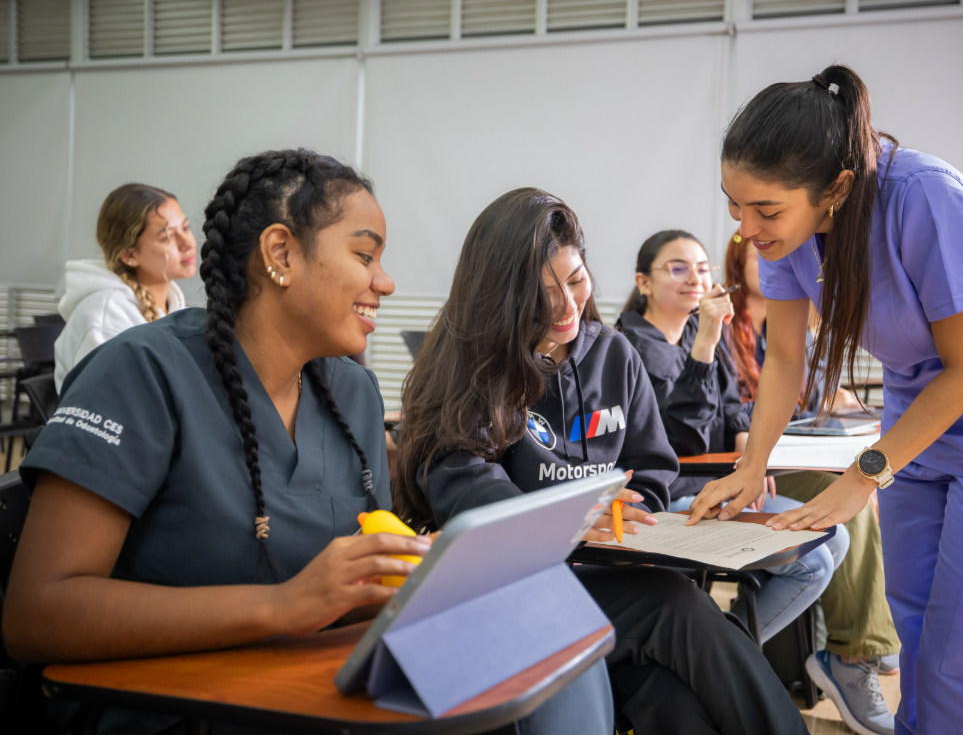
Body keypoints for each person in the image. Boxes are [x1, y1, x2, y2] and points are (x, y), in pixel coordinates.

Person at [3, 151, 611, 735]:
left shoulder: (352, 395)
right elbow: (37, 615)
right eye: (365, 256)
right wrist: (285, 606)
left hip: (318, 685)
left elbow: (345, 590)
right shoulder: (140, 373)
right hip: (178, 707)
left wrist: (423, 579)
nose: (387, 282)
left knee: (545, 622)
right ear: (280, 254)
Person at [394, 189, 809, 735]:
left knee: (674, 699)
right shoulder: (469, 371)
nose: (567, 306)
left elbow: (654, 465)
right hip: (511, 589)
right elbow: (468, 495)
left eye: (576, 280)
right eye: (543, 294)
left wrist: (636, 517)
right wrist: (573, 516)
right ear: (500, 294)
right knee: (674, 605)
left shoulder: (612, 352)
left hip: (606, 573)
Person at [689, 64, 963, 735]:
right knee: (913, 620)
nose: (745, 229)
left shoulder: (926, 199)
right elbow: (786, 360)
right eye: (734, 205)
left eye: (766, 210)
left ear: (837, 189)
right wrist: (750, 466)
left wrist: (866, 475)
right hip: (919, 418)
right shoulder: (787, 237)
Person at [617, 229, 848, 647]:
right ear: (643, 283)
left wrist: (746, 440)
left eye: (703, 269)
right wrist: (706, 339)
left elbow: (732, 405)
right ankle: (728, 651)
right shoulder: (626, 348)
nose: (695, 279)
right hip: (672, 495)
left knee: (837, 536)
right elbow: (680, 442)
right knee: (811, 562)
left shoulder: (696, 335)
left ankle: (727, 650)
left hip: (717, 482)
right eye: (679, 268)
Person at [726, 230, 901, 735]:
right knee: (849, 504)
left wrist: (831, 397)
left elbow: (811, 399)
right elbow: (727, 416)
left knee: (872, 489)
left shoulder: (799, 324)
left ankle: (868, 640)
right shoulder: (720, 329)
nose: (771, 259)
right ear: (737, 264)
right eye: (755, 254)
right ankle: (854, 655)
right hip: (754, 465)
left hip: (795, 451)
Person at [54, 183, 197, 391]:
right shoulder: (104, 317)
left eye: (185, 228)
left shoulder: (173, 305)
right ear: (130, 255)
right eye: (168, 237)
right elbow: (108, 404)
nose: (188, 243)